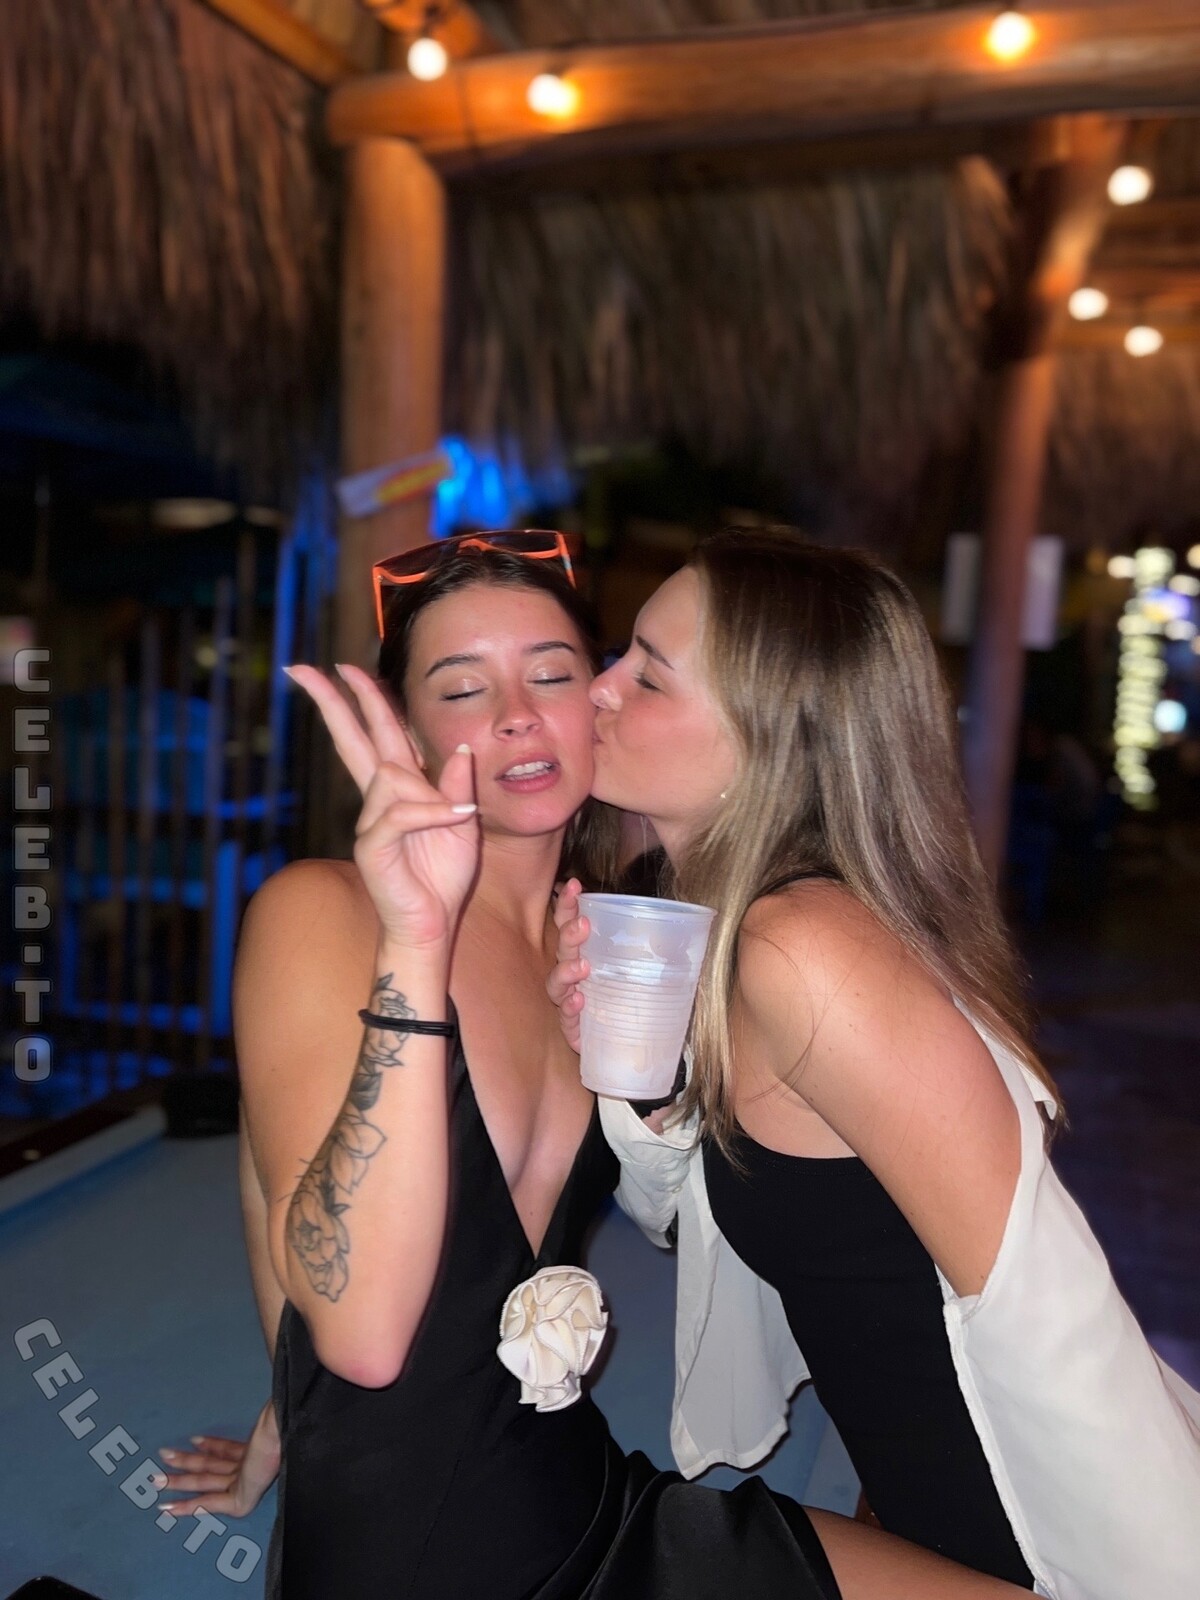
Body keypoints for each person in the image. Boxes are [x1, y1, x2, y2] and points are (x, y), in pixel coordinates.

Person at [160, 533, 1032, 1600]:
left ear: (599, 705)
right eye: (462, 687)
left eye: (553, 674)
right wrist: (416, 941)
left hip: (588, 1499)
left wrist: (278, 1419)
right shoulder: (326, 912)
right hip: (414, 1566)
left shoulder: (609, 949)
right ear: (406, 731)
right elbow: (358, 1322)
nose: (515, 715)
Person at [549, 527, 1200, 1600]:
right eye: (622, 652)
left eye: (649, 675)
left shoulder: (804, 951)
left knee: (609, 1541)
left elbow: (1053, 1310)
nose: (600, 686)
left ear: (773, 743)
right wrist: (642, 1074)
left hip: (1035, 1548)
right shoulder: (725, 924)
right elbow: (686, 1211)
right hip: (922, 1512)